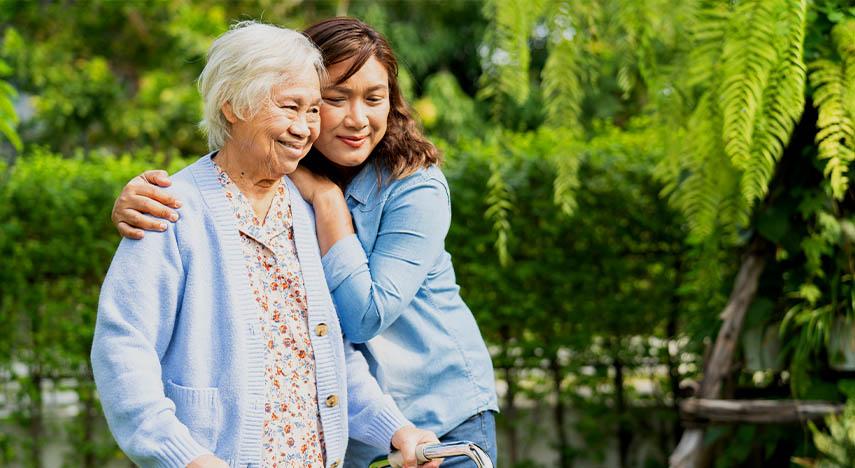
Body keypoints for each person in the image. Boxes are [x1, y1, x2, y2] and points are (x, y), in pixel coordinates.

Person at [111, 17, 499, 467]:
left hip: (435, 420)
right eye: (329, 101)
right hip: (336, 441)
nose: (350, 119)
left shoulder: (401, 188)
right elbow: (126, 346)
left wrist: (329, 203)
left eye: (311, 108)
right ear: (235, 105)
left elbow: (340, 335)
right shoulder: (206, 200)